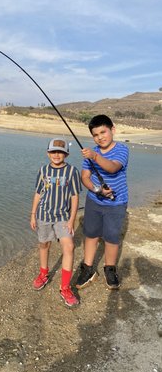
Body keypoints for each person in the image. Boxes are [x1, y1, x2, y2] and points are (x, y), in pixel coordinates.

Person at [75, 114, 129, 291]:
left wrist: (95, 157)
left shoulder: (122, 149)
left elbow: (113, 167)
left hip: (116, 203)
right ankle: (88, 268)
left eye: (103, 132)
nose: (100, 137)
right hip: (94, 201)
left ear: (112, 130)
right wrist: (97, 189)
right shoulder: (90, 153)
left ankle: (110, 268)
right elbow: (85, 177)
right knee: (90, 234)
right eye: (96, 135)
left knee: (112, 237)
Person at [30, 137, 82, 307]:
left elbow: (75, 196)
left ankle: (65, 287)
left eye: (60, 152)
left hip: (63, 217)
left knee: (69, 247)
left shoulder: (72, 171)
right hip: (43, 215)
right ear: (48, 153)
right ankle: (43, 274)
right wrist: (32, 214)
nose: (56, 155)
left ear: (66, 154)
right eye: (53, 151)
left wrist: (72, 220)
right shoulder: (43, 170)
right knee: (44, 245)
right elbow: (38, 193)